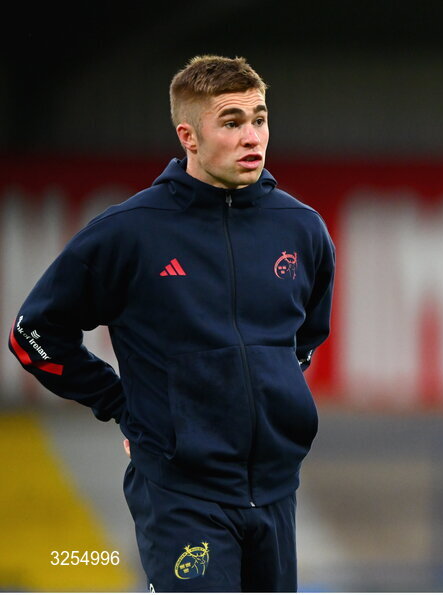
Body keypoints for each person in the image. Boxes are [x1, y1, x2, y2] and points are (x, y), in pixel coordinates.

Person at [8, 55, 335, 592]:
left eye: (260, 118)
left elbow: (304, 338)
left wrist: (273, 400)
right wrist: (121, 405)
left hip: (277, 491)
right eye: (231, 123)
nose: (252, 135)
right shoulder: (129, 232)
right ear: (189, 135)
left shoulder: (302, 229)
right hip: (182, 497)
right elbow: (34, 334)